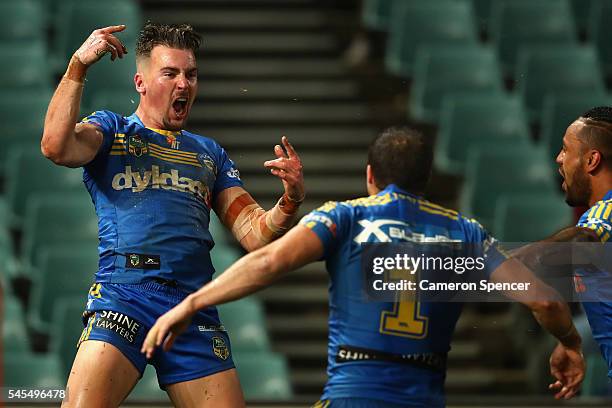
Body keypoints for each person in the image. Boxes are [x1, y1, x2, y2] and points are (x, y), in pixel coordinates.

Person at [142, 127, 585, 407]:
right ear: (425, 182)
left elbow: (269, 260)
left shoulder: (345, 216)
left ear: (370, 176)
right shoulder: (465, 232)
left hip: (353, 394)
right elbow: (544, 300)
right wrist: (569, 343)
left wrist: (192, 302)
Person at [41, 22, 304, 408]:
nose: (184, 84)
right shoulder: (112, 131)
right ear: (141, 83)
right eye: (170, 73)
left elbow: (254, 233)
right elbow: (56, 146)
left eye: (191, 74)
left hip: (190, 305)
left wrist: (291, 201)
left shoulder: (209, 153)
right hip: (123, 296)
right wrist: (77, 67)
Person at [518, 106, 612, 378]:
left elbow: (587, 237)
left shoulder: (604, 214)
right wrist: (570, 342)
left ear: (592, 160)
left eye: (565, 149)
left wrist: (511, 260)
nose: (559, 159)